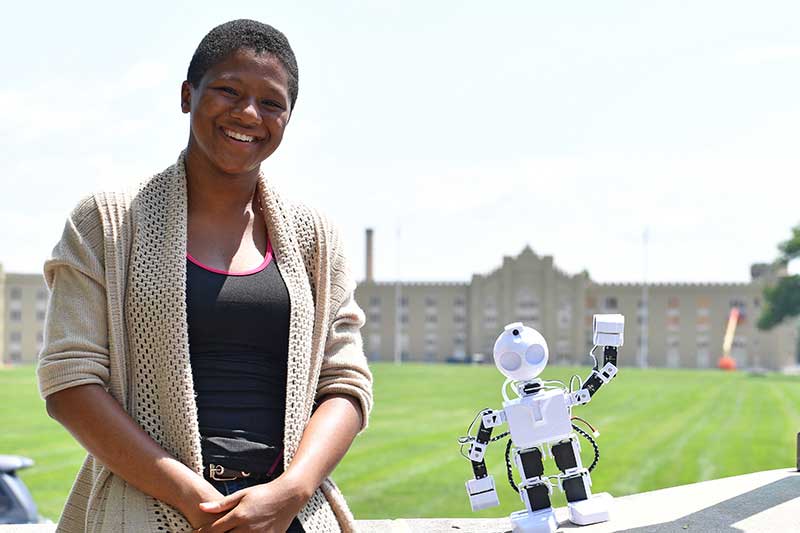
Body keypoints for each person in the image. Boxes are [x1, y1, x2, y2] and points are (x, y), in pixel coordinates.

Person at [36, 19, 373, 533]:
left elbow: (344, 382)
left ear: (288, 117)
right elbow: (69, 381)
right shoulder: (107, 222)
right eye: (228, 91)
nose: (248, 113)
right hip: (146, 510)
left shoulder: (315, 237)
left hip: (290, 518)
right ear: (187, 95)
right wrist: (194, 498)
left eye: (272, 102)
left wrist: (292, 490)